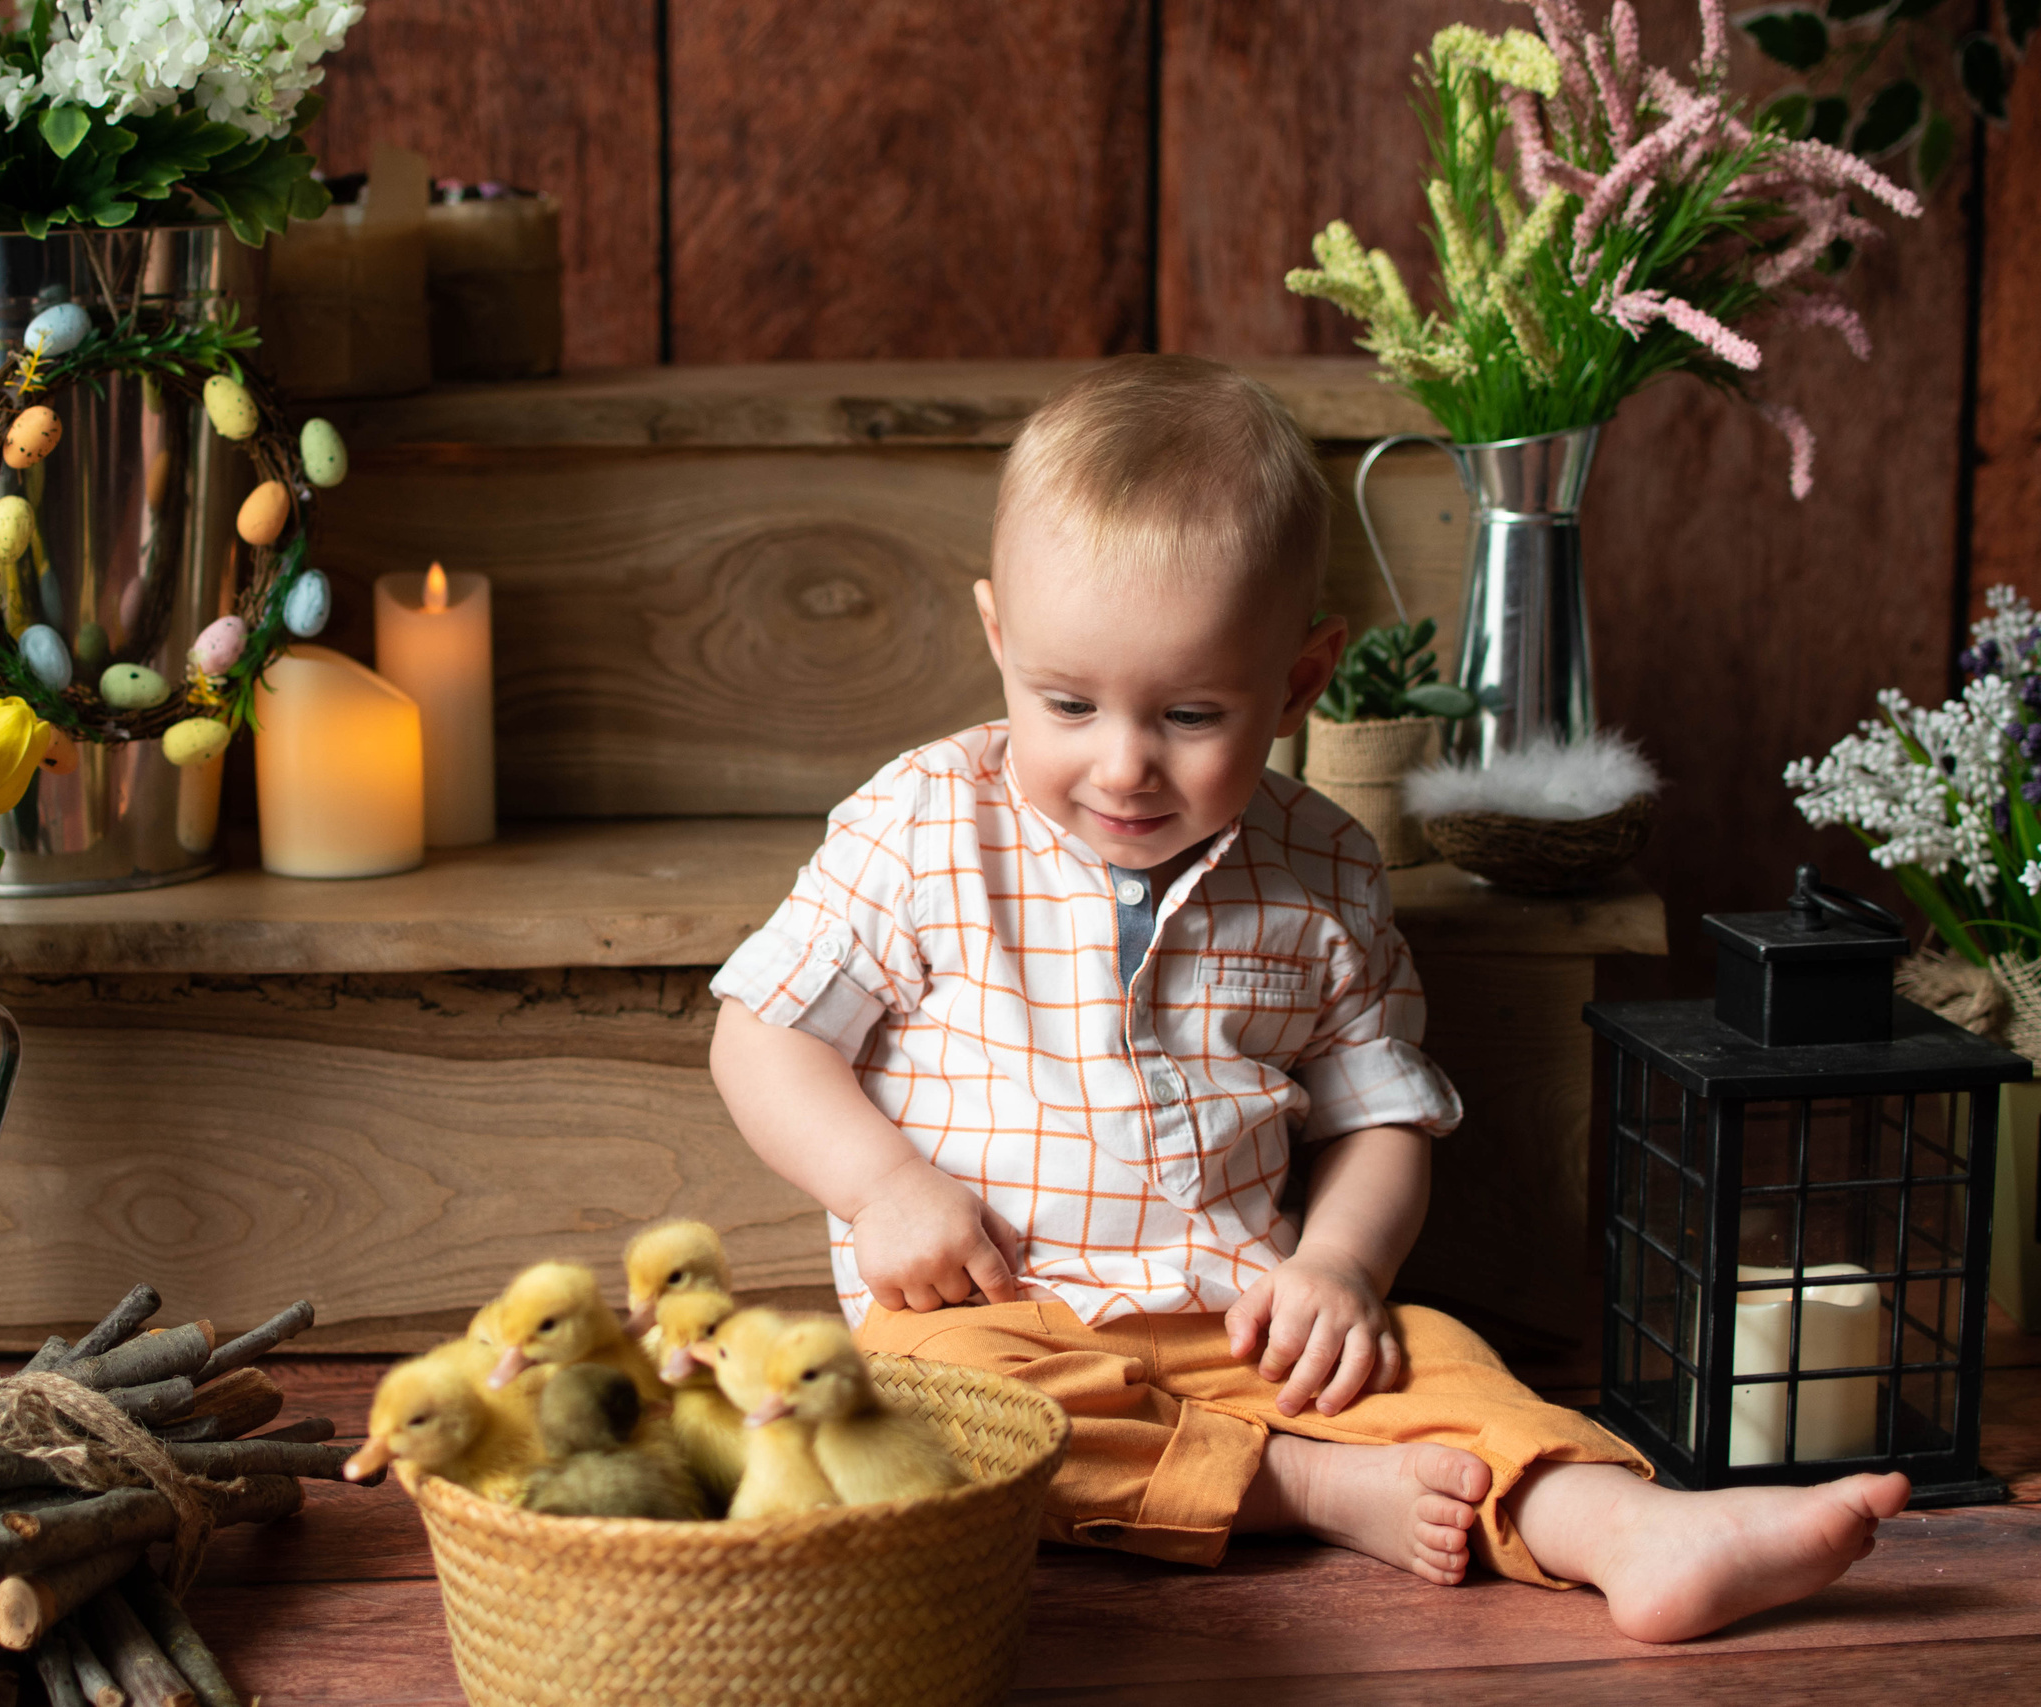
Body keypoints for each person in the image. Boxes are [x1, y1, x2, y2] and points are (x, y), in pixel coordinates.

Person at [705, 354, 1908, 1643]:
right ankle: (1309, 1492)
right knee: (918, 1422)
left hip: (1250, 1323)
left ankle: (1630, 1530)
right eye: (1066, 703)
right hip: (994, 1323)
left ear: (1298, 682)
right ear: (998, 635)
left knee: (1434, 1357)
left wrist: (1339, 1263)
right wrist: (883, 1187)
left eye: (1188, 713)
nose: (1122, 764)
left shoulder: (1325, 868)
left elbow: (1380, 1117)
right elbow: (764, 1036)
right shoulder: (926, 823)